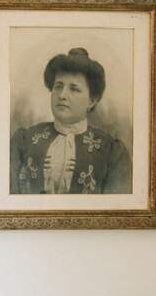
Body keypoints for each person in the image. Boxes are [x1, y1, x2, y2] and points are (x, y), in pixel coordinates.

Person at [10, 48, 131, 195]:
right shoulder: (23, 142)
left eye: (74, 89)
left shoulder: (112, 153)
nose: (62, 95)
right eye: (58, 86)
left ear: (92, 101)